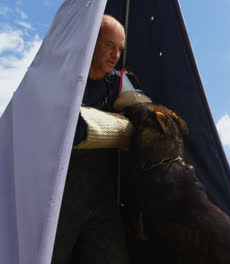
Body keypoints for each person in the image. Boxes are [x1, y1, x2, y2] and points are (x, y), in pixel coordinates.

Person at [52, 14, 150, 264]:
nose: (116, 55)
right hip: (58, 195)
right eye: (109, 45)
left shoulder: (119, 82)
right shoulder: (62, 76)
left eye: (120, 49)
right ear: (90, 42)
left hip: (101, 196)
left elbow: (148, 113)